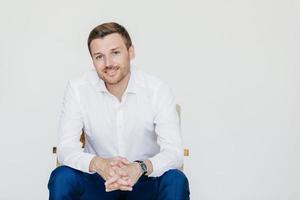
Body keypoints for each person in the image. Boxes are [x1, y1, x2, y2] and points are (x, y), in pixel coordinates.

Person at [48, 22, 190, 200]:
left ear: (131, 52)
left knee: (176, 179)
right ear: (92, 60)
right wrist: (99, 164)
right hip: (99, 182)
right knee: (62, 177)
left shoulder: (156, 89)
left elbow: (174, 153)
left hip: (144, 182)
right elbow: (66, 148)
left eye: (115, 53)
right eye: (99, 56)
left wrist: (139, 168)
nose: (108, 63)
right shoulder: (78, 89)